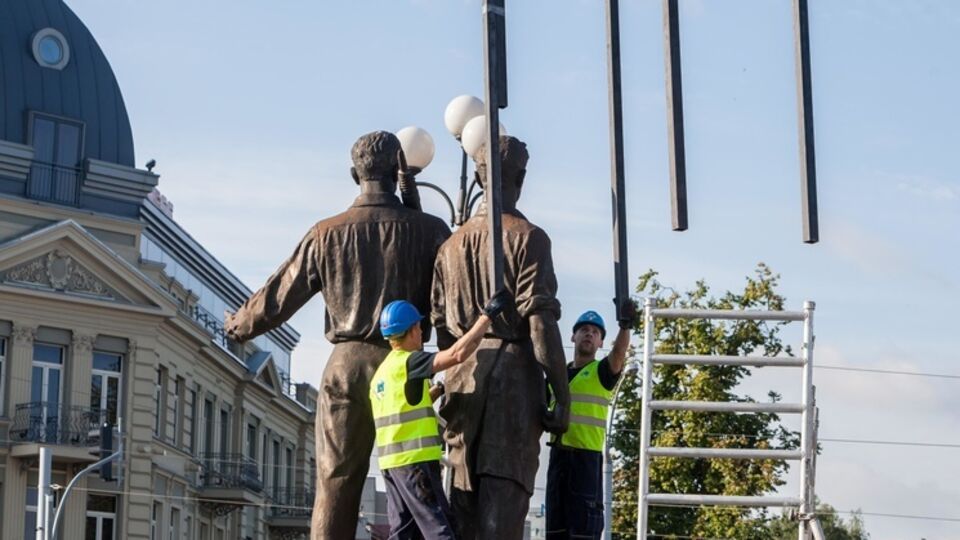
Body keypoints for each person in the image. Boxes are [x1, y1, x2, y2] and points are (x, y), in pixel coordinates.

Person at [224, 131, 451, 539]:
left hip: (345, 366)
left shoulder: (326, 232)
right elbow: (448, 299)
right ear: (399, 167)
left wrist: (237, 324)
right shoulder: (430, 229)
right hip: (403, 368)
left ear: (354, 174)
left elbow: (278, 295)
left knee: (336, 482)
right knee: (414, 481)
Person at [431, 135, 571, 540]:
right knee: (503, 509)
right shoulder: (530, 238)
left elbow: (442, 330)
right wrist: (561, 395)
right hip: (513, 378)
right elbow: (540, 324)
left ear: (478, 177)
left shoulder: (449, 247)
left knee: (463, 510)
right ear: (521, 177)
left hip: (462, 377)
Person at [371, 292, 510, 539]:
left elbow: (407, 405)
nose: (422, 333)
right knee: (440, 529)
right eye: (419, 327)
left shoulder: (382, 374)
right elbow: (457, 354)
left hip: (391, 468)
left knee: (402, 533)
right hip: (416, 464)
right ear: (413, 329)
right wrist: (486, 317)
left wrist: (438, 390)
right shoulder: (410, 362)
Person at [544, 303, 637, 540]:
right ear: (573, 336)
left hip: (585, 462)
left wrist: (625, 327)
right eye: (584, 329)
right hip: (558, 461)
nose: (589, 334)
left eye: (595, 332)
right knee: (555, 530)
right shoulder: (557, 376)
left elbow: (618, 354)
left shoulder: (601, 372)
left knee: (583, 532)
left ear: (601, 343)